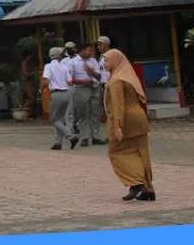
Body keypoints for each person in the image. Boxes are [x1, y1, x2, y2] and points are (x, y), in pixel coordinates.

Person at [103, 49, 156, 201]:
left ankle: (137, 183)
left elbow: (118, 104)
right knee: (140, 152)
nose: (104, 64)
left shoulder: (116, 80)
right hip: (138, 117)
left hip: (125, 119)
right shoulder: (128, 75)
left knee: (117, 152)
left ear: (115, 61)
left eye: (107, 60)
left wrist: (117, 125)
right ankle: (146, 188)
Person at [67, 41, 98, 149]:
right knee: (83, 114)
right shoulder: (73, 62)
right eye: (89, 50)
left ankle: (95, 136)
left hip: (94, 88)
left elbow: (99, 76)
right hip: (80, 89)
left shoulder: (93, 61)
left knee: (95, 113)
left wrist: (91, 72)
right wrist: (84, 81)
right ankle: (85, 137)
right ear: (83, 50)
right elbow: (70, 79)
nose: (91, 53)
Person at [41, 46, 74, 150]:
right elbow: (70, 82)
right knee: (60, 119)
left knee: (54, 119)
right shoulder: (64, 67)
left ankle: (71, 136)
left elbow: (46, 80)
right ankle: (58, 143)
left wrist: (41, 89)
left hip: (56, 94)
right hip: (66, 93)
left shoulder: (48, 66)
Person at [86, 38, 110, 145]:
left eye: (101, 44)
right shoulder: (100, 58)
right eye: (98, 45)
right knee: (104, 111)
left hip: (109, 85)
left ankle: (112, 135)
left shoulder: (111, 56)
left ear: (107, 44)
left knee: (110, 111)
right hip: (101, 86)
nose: (99, 47)